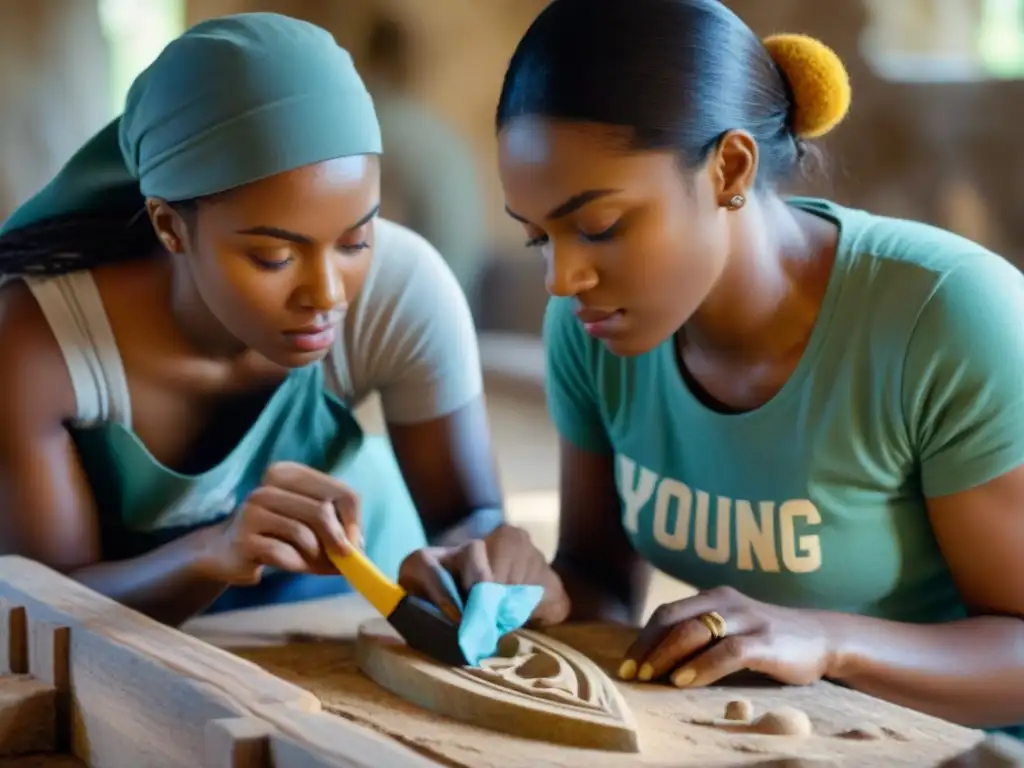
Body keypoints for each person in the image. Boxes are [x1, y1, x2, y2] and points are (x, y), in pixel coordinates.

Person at [494, 0, 1024, 737]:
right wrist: (518, 590)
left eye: (598, 227)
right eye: (537, 238)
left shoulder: (944, 316)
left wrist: (827, 640)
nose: (561, 278)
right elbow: (600, 585)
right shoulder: (590, 327)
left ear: (730, 168)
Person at [0, 12, 567, 629]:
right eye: (274, 256)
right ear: (169, 226)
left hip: (345, 615)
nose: (326, 294)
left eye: (355, 241)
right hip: (145, 643)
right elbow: (38, 611)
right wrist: (213, 552)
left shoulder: (401, 290)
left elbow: (470, 518)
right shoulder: (43, 343)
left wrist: (484, 556)